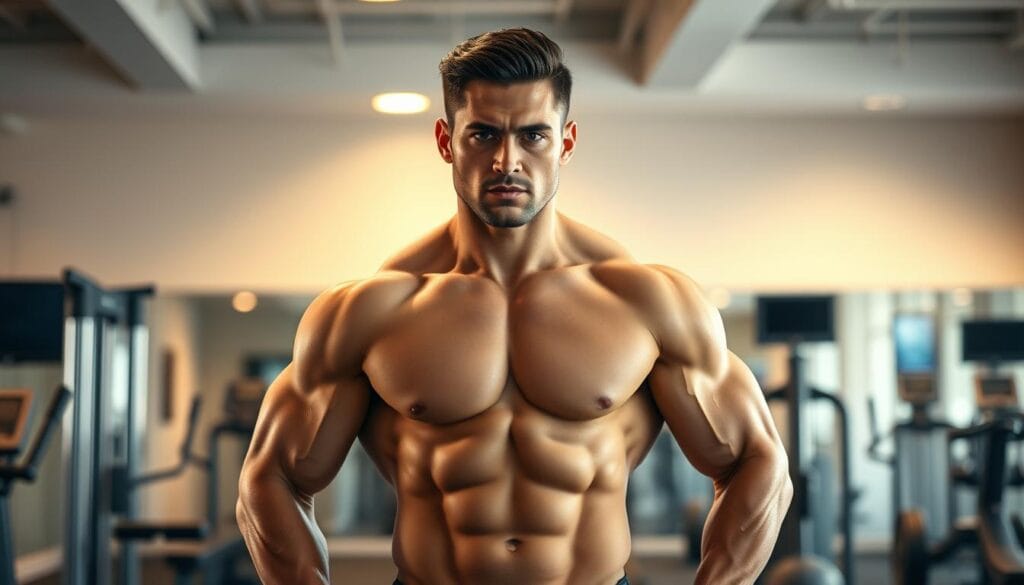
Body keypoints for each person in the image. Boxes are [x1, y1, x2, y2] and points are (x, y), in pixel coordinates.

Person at [236, 28, 792, 585]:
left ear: (566, 142)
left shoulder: (645, 303)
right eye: (482, 134)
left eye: (533, 136)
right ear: (446, 140)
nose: (507, 161)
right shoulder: (371, 311)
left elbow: (758, 463)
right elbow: (271, 479)